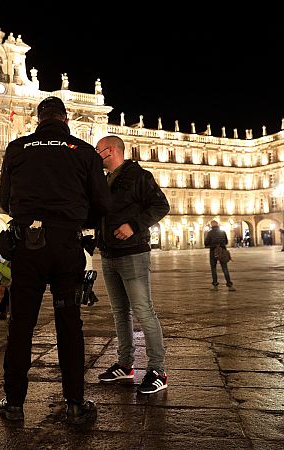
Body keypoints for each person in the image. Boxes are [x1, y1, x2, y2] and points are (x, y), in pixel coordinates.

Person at [0, 96, 110, 424]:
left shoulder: (17, 148)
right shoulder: (84, 151)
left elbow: (4, 199)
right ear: (66, 119)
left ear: (38, 119)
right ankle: (75, 403)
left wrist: (28, 213)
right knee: (69, 323)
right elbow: (102, 202)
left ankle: (14, 404)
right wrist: (77, 219)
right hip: (66, 246)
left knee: (21, 326)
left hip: (27, 246)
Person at [95, 135, 170, 394]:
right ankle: (125, 364)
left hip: (133, 253)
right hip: (109, 253)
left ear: (111, 150)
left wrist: (134, 225)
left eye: (98, 150)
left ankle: (158, 370)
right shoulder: (105, 180)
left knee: (144, 311)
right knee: (120, 312)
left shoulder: (139, 176)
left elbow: (161, 205)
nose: (96, 154)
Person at [204, 220, 234, 291]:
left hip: (213, 251)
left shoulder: (210, 233)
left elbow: (206, 242)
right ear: (218, 225)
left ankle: (215, 285)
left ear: (211, 225)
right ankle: (230, 285)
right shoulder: (223, 232)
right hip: (222, 250)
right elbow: (226, 241)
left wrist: (211, 244)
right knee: (225, 268)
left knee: (213, 268)